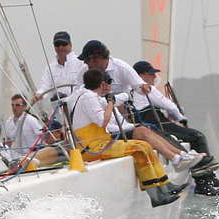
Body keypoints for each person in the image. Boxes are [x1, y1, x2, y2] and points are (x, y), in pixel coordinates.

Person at [67, 69, 199, 207]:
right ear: (101, 84)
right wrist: (111, 103)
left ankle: (166, 186)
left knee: (145, 145)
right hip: (91, 148)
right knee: (138, 149)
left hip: (101, 142)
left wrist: (123, 96)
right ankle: (155, 196)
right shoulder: (89, 97)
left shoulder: (88, 95)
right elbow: (103, 121)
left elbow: (106, 103)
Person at [130, 61, 219, 196]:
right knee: (197, 137)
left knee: (182, 140)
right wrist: (181, 118)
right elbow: (170, 107)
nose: (154, 76)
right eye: (151, 73)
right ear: (140, 75)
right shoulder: (146, 89)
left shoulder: (128, 90)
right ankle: (204, 182)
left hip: (147, 124)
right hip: (156, 124)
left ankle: (207, 179)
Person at [75, 40, 150, 99]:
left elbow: (140, 86)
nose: (85, 63)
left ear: (98, 58)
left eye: (87, 60)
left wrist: (145, 88)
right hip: (93, 105)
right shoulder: (84, 70)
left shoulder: (122, 67)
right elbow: (78, 91)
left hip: (119, 107)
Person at [32, 31, 85, 104]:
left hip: (78, 105)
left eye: (64, 44)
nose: (61, 47)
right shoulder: (50, 68)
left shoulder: (81, 63)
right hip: (58, 108)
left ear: (70, 45)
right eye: (57, 45)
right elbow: (45, 85)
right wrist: (39, 94)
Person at [4, 94, 44, 159]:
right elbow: (9, 141)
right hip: (17, 157)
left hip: (33, 155)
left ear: (24, 107)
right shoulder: (9, 122)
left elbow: (42, 136)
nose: (14, 107)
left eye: (17, 105)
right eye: (12, 105)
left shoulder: (31, 120)